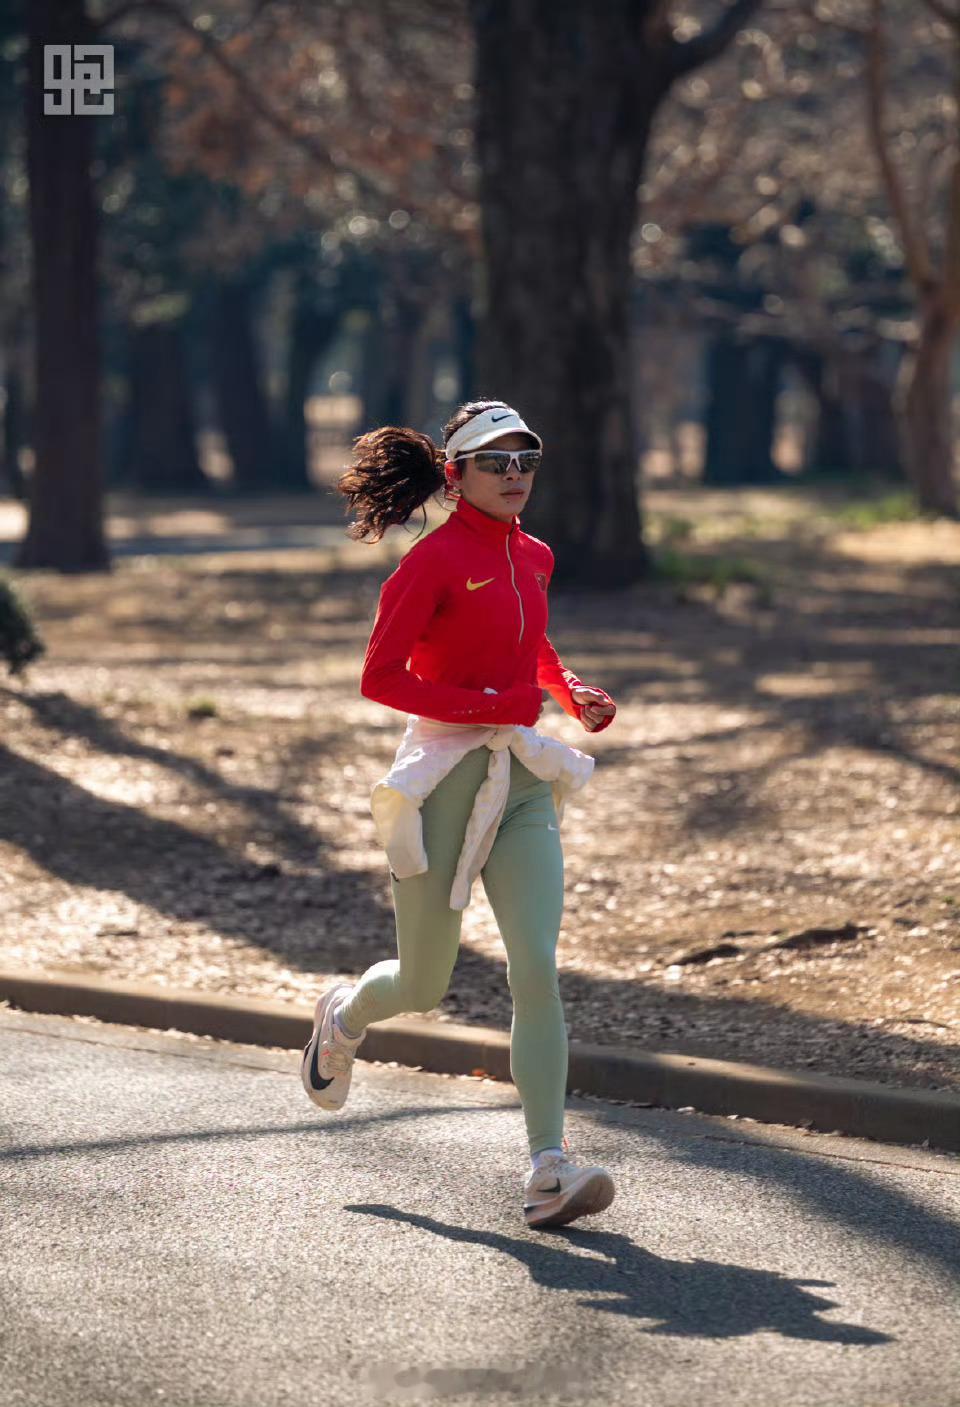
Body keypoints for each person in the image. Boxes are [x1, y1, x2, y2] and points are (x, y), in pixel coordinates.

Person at [300, 398, 618, 1230]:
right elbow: (380, 676)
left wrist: (565, 688)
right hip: (441, 777)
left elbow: (534, 647)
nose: (515, 475)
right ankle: (343, 1015)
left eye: (526, 459)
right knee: (424, 983)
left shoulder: (537, 555)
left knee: (536, 969)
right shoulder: (430, 562)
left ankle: (548, 1167)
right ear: (457, 474)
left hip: (518, 782)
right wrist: (483, 700)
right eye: (495, 460)